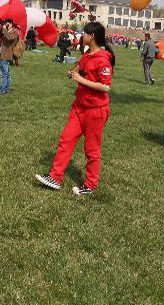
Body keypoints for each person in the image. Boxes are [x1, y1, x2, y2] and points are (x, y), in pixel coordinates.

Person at [35, 21, 115, 196]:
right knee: (66, 139)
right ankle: (55, 177)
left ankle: (91, 184)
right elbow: (80, 68)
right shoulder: (87, 55)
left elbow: (105, 87)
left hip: (95, 111)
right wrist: (73, 72)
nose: (82, 36)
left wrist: (80, 79)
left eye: (85, 33)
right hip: (79, 107)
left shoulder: (103, 60)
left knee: (92, 149)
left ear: (92, 36)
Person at [0, 20, 19, 94]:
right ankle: (6, 89)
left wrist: (4, 29)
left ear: (11, 24)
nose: (6, 25)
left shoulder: (14, 32)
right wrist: (1, 27)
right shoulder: (7, 31)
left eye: (8, 24)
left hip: (7, 55)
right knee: (6, 74)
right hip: (4, 55)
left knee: (4, 74)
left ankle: (3, 90)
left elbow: (9, 38)